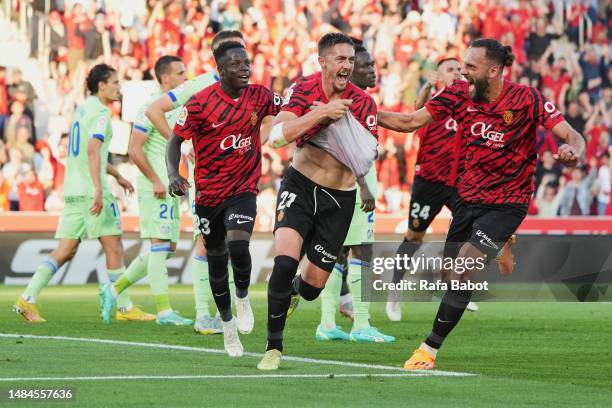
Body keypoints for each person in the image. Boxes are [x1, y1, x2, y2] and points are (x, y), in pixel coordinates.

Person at [378, 39, 584, 370]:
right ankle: (501, 243)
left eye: (471, 68)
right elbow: (409, 122)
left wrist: (573, 152)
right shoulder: (458, 94)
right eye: (462, 66)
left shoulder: (527, 99)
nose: (464, 73)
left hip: (508, 203)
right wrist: (364, 111)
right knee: (451, 277)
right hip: (467, 200)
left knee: (461, 273)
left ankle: (427, 351)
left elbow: (572, 135)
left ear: (494, 70)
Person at [257, 33, 378, 370]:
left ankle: (295, 290)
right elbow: (277, 136)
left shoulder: (363, 103)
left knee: (312, 288)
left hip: (339, 199)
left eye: (351, 60)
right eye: (340, 59)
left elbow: (365, 157)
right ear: (322, 61)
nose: (347, 65)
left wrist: (335, 125)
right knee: (283, 263)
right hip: (301, 187)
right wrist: (321, 114)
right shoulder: (304, 89)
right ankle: (273, 347)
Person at [166, 41, 281, 357]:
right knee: (216, 261)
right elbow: (175, 141)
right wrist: (174, 175)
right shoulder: (200, 104)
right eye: (236, 64)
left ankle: (242, 294)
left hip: (243, 189)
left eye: (247, 62)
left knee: (239, 244)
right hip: (208, 195)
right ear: (220, 69)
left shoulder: (260, 95)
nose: (245, 68)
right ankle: (228, 328)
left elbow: (290, 107)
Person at [13, 64, 139, 323]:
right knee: (114, 246)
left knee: (65, 250)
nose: (119, 87)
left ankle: (28, 298)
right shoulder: (102, 113)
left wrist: (117, 175)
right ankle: (124, 308)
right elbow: (93, 151)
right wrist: (98, 188)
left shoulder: (82, 110)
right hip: (91, 190)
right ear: (101, 85)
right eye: (115, 82)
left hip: (72, 190)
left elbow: (88, 153)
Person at [145, 30, 245, 332]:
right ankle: (204, 315)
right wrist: (184, 145)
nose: (242, 61)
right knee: (207, 242)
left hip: (240, 177)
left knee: (231, 245)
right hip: (209, 178)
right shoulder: (200, 85)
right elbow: (154, 110)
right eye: (235, 53)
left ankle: (219, 312)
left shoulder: (245, 88)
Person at [99, 56, 194, 325]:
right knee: (160, 245)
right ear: (166, 78)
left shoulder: (179, 107)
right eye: (180, 73)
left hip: (171, 185)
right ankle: (164, 311)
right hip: (156, 187)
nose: (185, 77)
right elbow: (134, 148)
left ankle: (113, 290)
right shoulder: (149, 107)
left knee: (166, 246)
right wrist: (154, 179)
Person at [385, 57, 480, 321]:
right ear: (438, 75)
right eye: (451, 70)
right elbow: (416, 114)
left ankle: (454, 289)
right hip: (430, 181)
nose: (457, 74)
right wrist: (426, 90)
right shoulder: (434, 102)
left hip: (459, 182)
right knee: (414, 237)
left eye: (460, 71)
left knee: (467, 234)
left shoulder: (469, 103)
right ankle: (394, 290)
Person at [316, 42, 394, 343]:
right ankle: (361, 325)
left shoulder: (342, 100)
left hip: (336, 185)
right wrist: (363, 187)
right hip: (354, 184)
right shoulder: (356, 104)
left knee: (338, 252)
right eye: (366, 65)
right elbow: (350, 150)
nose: (371, 70)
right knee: (362, 249)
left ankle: (326, 323)